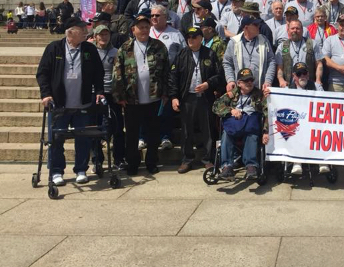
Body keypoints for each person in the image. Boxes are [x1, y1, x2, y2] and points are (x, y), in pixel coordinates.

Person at [36, 18, 105, 186]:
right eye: (82, 30)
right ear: (70, 32)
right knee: (56, 139)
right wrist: (45, 94)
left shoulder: (89, 49)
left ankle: (81, 169)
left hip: (82, 103)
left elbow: (98, 73)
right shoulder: (54, 48)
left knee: (83, 138)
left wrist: (99, 91)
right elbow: (42, 73)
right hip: (59, 104)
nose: (85, 33)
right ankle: (56, 171)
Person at [112, 10, 170, 176]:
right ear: (133, 30)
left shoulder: (159, 46)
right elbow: (117, 74)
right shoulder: (125, 48)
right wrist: (120, 96)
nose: (144, 30)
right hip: (132, 100)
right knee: (131, 135)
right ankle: (133, 163)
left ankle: (152, 162)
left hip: (154, 98)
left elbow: (166, 71)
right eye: (140, 27)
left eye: (146, 27)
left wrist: (166, 93)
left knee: (153, 134)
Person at [169, 27, 224, 173]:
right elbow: (173, 77)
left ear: (200, 38)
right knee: (187, 131)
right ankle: (187, 160)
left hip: (205, 98)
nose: (191, 40)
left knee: (208, 130)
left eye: (194, 37)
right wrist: (174, 97)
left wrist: (208, 84)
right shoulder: (181, 54)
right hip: (187, 97)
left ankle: (208, 159)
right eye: (189, 37)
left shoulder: (210, 54)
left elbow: (219, 75)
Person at [214, 68, 269, 180]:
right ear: (239, 83)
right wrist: (231, 110)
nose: (249, 83)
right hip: (235, 125)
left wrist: (265, 131)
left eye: (251, 80)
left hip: (251, 126)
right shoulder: (231, 95)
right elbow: (216, 106)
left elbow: (267, 113)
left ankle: (251, 166)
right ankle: (227, 167)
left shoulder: (259, 95)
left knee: (252, 134)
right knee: (226, 134)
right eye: (246, 81)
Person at [279, 62, 328, 175]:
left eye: (304, 73)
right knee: (293, 129)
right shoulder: (288, 89)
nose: (302, 76)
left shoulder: (317, 86)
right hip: (297, 123)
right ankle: (297, 162)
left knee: (322, 128)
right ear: (294, 76)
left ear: (308, 74)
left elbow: (326, 102)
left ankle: (322, 161)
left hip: (313, 121)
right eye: (299, 74)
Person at [92, 24, 126, 170]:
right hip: (95, 94)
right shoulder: (90, 52)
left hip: (113, 93)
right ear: (95, 36)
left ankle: (119, 159)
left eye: (106, 34)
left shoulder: (116, 52)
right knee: (95, 128)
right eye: (100, 35)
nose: (103, 37)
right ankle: (97, 160)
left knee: (117, 127)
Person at [223, 16, 276, 93]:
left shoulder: (264, 41)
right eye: (255, 25)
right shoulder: (234, 42)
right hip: (240, 90)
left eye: (258, 24)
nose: (259, 26)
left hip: (260, 89)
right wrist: (230, 80)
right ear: (246, 27)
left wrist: (268, 80)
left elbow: (271, 61)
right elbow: (227, 63)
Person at [275, 20, 323, 88]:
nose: (295, 30)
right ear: (288, 31)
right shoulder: (282, 46)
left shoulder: (312, 44)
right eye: (292, 28)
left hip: (309, 86)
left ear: (302, 30)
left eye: (297, 28)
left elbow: (319, 64)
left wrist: (318, 80)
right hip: (288, 86)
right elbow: (279, 67)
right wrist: (281, 80)